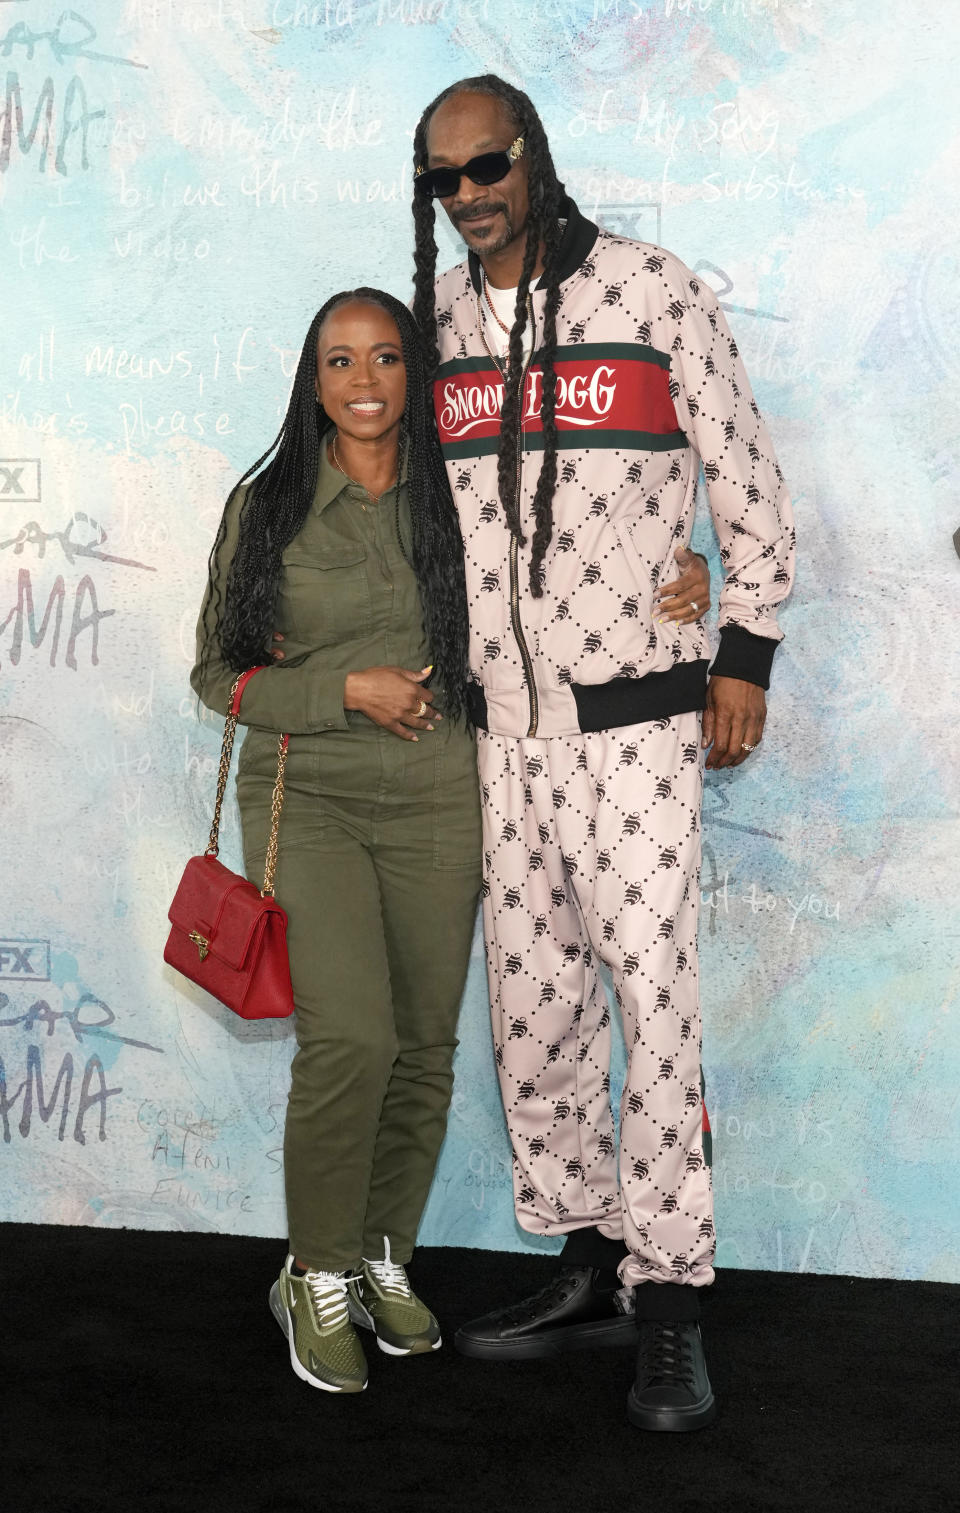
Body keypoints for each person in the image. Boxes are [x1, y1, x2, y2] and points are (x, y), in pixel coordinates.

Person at [410, 76, 796, 1431]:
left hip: (637, 727)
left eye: (491, 163)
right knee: (537, 1016)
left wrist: (739, 647)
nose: (472, 193)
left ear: (535, 157)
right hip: (504, 737)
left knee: (657, 1007)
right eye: (446, 177)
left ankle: (674, 1302)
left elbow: (746, 478)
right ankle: (586, 1259)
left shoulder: (652, 288)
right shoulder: (444, 322)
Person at [189, 288, 484, 1395]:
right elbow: (218, 674)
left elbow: (545, 596)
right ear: (312, 381)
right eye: (341, 361)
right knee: (350, 1037)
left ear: (416, 375)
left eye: (388, 359)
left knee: (422, 1046)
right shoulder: (266, 508)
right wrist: (341, 689)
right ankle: (312, 1270)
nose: (366, 381)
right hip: (310, 798)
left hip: (442, 799)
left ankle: (380, 1253)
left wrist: (678, 583)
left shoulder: (462, 501)